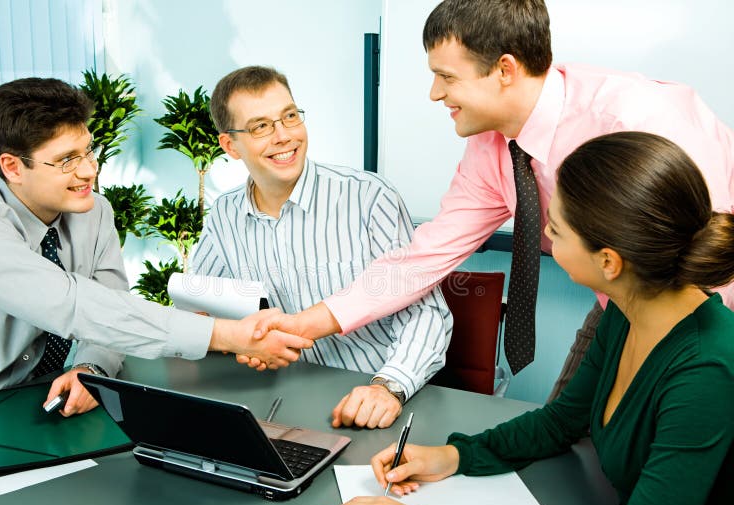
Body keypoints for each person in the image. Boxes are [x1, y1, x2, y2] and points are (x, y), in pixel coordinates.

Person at [249, 0, 734, 401]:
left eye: (447, 77)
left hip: (707, 312)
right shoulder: (492, 147)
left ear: (504, 69)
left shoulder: (640, 120)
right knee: (566, 443)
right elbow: (422, 259)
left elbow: (708, 263)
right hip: (618, 305)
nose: (434, 93)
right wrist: (309, 323)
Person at [321, 132, 734, 505]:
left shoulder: (705, 371)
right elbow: (560, 422)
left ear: (608, 262)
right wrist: (453, 456)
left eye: (556, 229)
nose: (546, 238)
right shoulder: (631, 307)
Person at [0, 77, 312, 416]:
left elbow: (113, 305)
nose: (89, 170)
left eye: (88, 150)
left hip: (42, 402)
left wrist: (90, 367)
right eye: (67, 160)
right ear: (13, 167)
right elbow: (75, 306)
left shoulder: (93, 211)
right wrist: (231, 335)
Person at [189, 66, 453, 429]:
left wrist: (389, 386)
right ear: (230, 145)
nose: (283, 136)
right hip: (278, 403)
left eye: (290, 116)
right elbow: (198, 311)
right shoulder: (224, 214)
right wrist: (236, 341)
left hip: (370, 398)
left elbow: (426, 315)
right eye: (261, 126)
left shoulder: (369, 197)